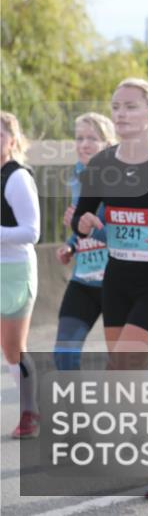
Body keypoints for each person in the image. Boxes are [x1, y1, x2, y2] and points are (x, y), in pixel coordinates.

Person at [71, 79, 148, 497]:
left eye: (130, 107)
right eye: (116, 106)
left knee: (126, 370)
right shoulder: (103, 162)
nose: (120, 114)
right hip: (118, 279)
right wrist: (82, 223)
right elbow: (82, 216)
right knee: (121, 377)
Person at [54, 112, 116, 370]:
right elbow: (80, 226)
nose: (84, 144)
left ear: (108, 144)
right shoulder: (77, 176)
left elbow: (128, 234)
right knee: (64, 355)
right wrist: (71, 244)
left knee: (123, 366)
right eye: (79, 138)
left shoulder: (121, 180)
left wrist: (88, 231)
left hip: (118, 282)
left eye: (92, 138)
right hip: (84, 279)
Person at [1, 112, 41, 439]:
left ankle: (31, 412)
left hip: (14, 271)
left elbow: (32, 232)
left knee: (13, 348)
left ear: (11, 140)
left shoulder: (16, 177)